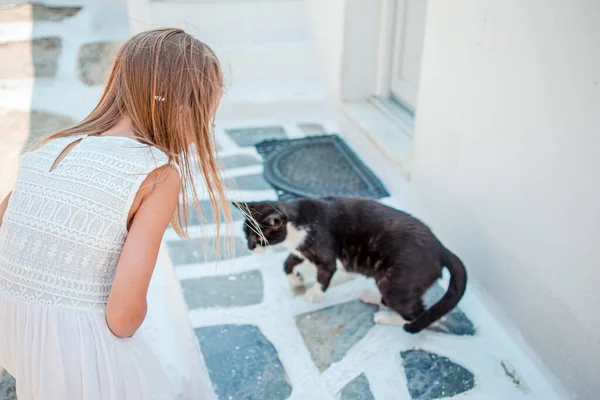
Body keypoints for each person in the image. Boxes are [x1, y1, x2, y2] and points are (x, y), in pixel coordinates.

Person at [0, 28, 233, 399]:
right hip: (80, 358)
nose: (203, 131)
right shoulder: (157, 174)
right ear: (181, 108)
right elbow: (122, 318)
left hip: (15, 337)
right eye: (207, 118)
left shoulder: (47, 150)